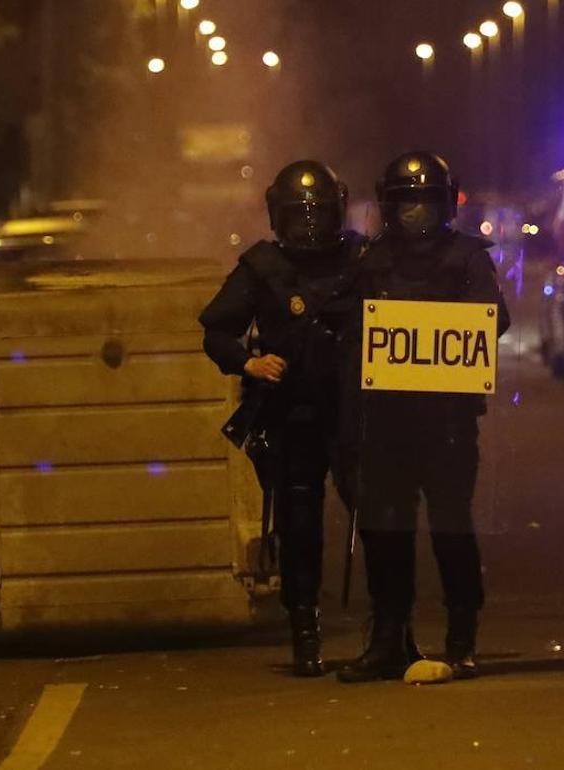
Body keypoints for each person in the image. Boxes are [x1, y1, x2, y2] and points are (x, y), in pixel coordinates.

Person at [337, 152, 510, 683]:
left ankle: (462, 637)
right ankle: (390, 637)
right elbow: (348, 326)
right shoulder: (372, 259)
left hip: (447, 422)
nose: (416, 212)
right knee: (386, 531)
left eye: (425, 201)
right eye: (406, 202)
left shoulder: (467, 258)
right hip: (388, 422)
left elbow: (494, 319)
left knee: (451, 527)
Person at [199, 161, 363, 677]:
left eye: (319, 214)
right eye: (300, 216)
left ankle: (390, 630)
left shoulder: (362, 258)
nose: (311, 226)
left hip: (354, 409)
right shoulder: (261, 267)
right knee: (298, 526)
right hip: (294, 412)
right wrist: (248, 362)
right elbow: (217, 331)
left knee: (379, 519)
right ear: (278, 217)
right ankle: (305, 629)